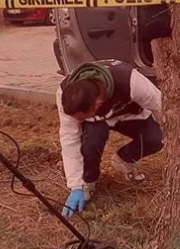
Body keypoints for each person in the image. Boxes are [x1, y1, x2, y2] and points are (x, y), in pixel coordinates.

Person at [56, 59, 165, 217]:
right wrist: (75, 185)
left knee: (156, 138)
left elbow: (159, 106)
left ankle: (125, 159)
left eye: (81, 118)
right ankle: (88, 181)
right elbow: (69, 138)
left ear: (98, 104)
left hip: (128, 113)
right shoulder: (65, 95)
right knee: (91, 142)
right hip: (96, 122)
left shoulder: (130, 81)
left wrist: (172, 138)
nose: (77, 123)